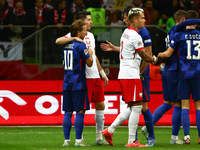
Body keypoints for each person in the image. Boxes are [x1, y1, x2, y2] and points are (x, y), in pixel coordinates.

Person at [101, 6, 156, 147]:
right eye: (142, 18)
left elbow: (132, 50)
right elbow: (143, 55)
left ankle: (110, 130)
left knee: (133, 107)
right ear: (135, 20)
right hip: (132, 75)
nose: (145, 20)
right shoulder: (136, 35)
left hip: (125, 74)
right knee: (137, 107)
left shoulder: (126, 32)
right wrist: (155, 59)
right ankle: (132, 141)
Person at [55, 11, 109, 145]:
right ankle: (79, 139)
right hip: (81, 80)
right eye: (88, 20)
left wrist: (102, 73)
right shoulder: (74, 37)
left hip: (76, 80)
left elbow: (94, 55)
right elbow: (58, 40)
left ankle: (96, 138)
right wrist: (77, 41)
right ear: (81, 25)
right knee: (80, 110)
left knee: (100, 105)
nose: (91, 23)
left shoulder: (89, 35)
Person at [156, 10, 200, 145]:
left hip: (183, 73)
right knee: (198, 106)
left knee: (184, 106)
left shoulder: (179, 35)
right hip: (198, 73)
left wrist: (157, 56)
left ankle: (186, 136)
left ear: (185, 20)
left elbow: (168, 54)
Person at [56, 19, 93, 146]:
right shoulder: (81, 45)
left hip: (67, 82)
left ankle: (66, 140)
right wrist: (90, 54)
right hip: (79, 83)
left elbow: (58, 42)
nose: (86, 33)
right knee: (80, 111)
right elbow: (89, 63)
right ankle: (78, 140)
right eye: (84, 31)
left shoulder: (65, 44)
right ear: (78, 32)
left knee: (67, 112)